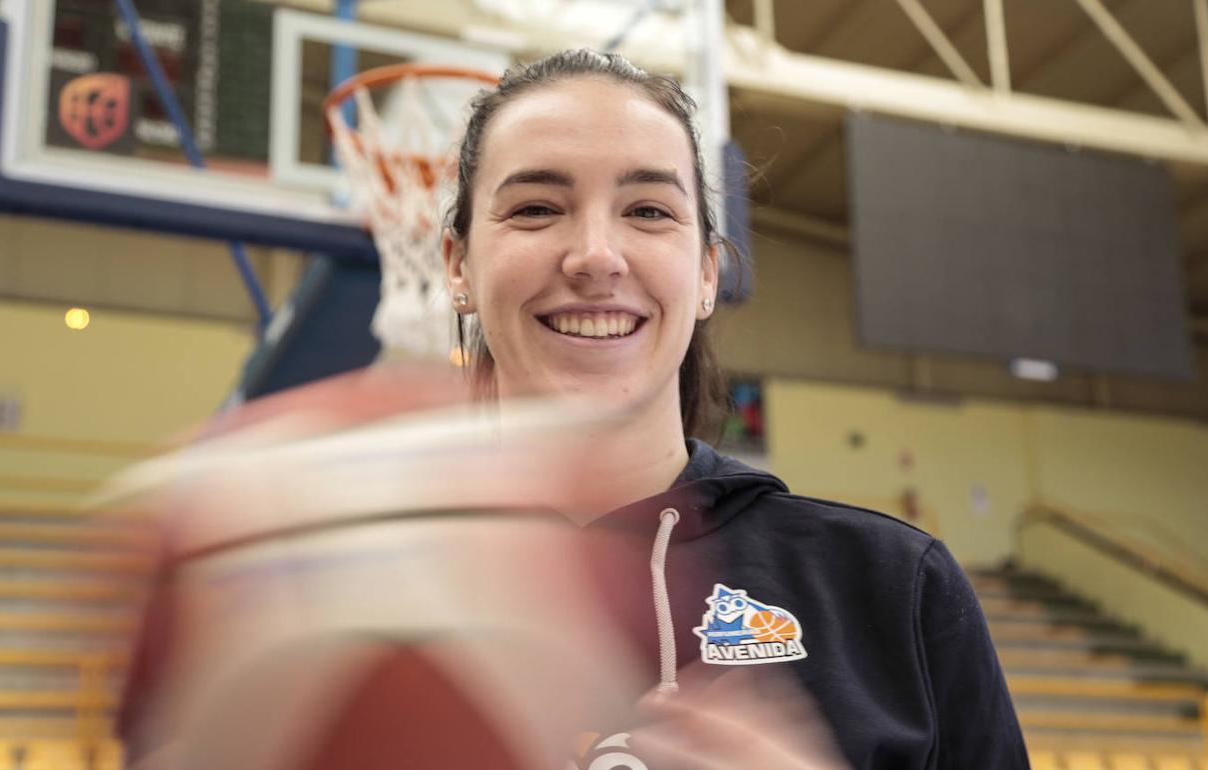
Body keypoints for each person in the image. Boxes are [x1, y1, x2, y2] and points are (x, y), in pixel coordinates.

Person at [441, 48, 1029, 769]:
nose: (596, 255)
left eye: (649, 211)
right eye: (536, 208)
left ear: (708, 275)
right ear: (457, 265)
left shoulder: (894, 588)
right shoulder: (345, 591)